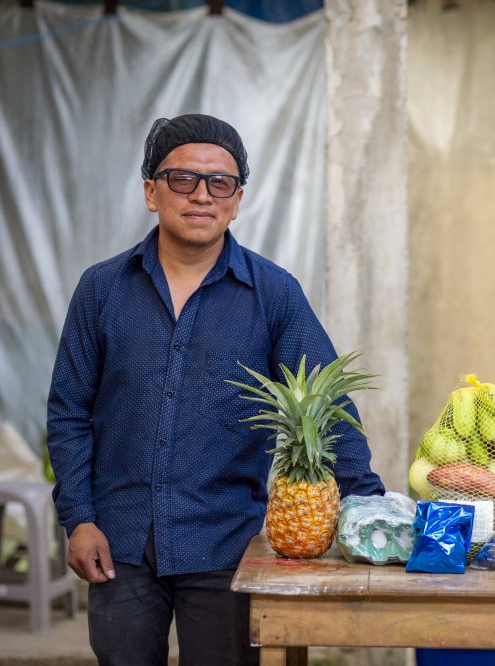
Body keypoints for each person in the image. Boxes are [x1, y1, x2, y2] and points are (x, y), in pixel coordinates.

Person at [47, 114, 385, 666]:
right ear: (151, 192)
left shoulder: (273, 293)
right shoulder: (102, 289)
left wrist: (369, 507)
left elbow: (327, 404)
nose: (201, 195)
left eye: (219, 183)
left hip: (228, 544)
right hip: (120, 542)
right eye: (183, 179)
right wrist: (79, 519)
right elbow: (69, 411)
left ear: (237, 200)